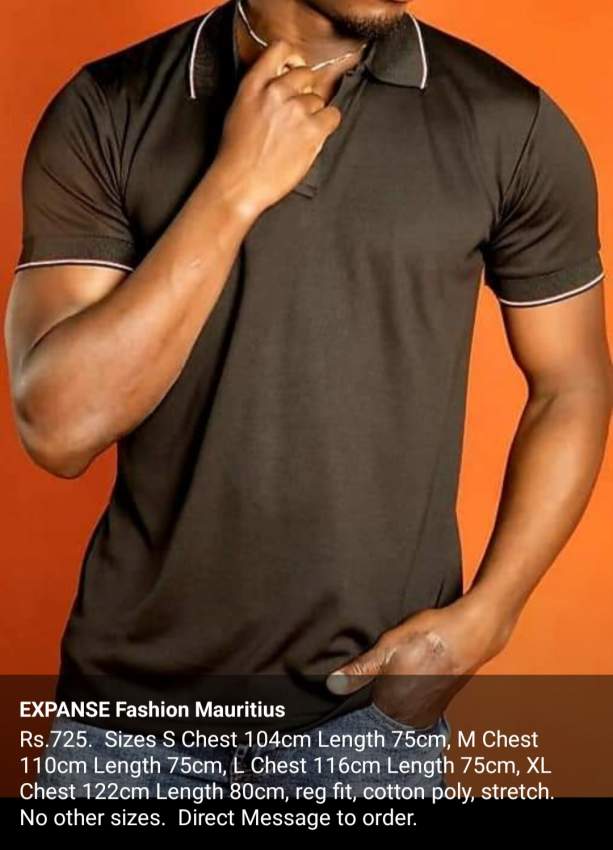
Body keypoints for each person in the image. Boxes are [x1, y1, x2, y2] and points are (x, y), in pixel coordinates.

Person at [5, 0, 611, 797]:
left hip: (362, 724)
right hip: (126, 732)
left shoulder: (506, 121)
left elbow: (571, 383)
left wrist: (488, 617)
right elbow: (59, 430)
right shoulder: (111, 105)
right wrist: (234, 187)